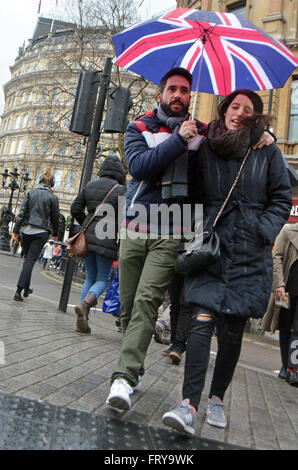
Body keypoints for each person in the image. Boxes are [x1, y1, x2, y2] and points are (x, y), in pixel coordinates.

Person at [105, 68, 275, 411]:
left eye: (185, 90)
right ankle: (133, 366)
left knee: (146, 302)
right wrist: (178, 140)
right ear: (161, 93)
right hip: (134, 225)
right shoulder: (139, 127)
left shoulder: (201, 132)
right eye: (173, 89)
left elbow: (231, 145)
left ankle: (122, 378)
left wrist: (263, 135)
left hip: (172, 229)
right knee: (126, 307)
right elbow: (140, 167)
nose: (179, 95)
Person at [161, 89, 292, 436]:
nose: (240, 113)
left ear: (255, 117)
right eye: (235, 106)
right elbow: (190, 191)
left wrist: (263, 230)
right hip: (211, 245)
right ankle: (188, 404)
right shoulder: (206, 144)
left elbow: (281, 197)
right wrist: (185, 142)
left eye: (248, 109)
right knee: (201, 319)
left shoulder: (267, 151)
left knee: (232, 330)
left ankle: (216, 397)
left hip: (249, 250)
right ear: (224, 109)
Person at [70, 154, 126, 334]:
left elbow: (75, 209)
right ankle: (84, 306)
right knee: (102, 279)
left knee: (90, 277)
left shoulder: (91, 185)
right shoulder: (121, 190)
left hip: (87, 237)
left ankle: (83, 317)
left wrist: (85, 223)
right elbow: (125, 218)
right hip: (108, 237)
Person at [13, 168, 59, 301]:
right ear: (52, 183)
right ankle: (18, 290)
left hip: (26, 231)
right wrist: (55, 234)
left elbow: (22, 213)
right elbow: (55, 218)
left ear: (40, 180)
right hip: (41, 233)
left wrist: (16, 230)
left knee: (28, 260)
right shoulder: (53, 198)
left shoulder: (31, 193)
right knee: (30, 261)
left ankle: (26, 288)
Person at [262, 223, 298, 386]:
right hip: (284, 290)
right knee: (283, 326)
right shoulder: (287, 230)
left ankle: (293, 368)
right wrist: (278, 284)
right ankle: (285, 365)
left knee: (297, 330)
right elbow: (276, 257)